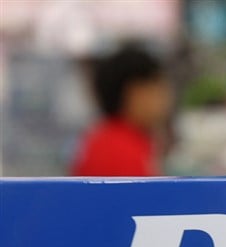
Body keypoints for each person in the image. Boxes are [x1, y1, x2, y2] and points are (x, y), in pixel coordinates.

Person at [71, 43, 171, 176]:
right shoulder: (119, 152)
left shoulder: (109, 139)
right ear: (135, 93)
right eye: (157, 87)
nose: (166, 96)